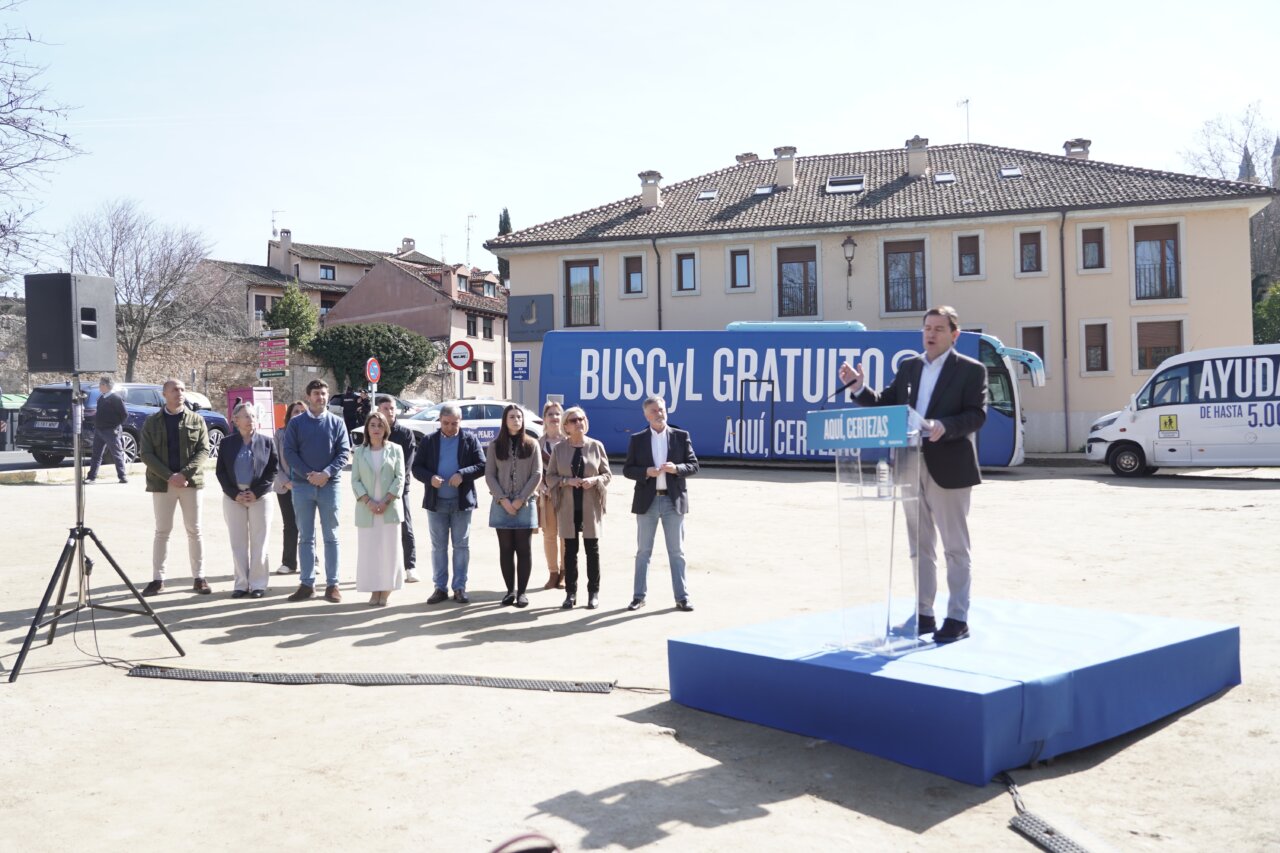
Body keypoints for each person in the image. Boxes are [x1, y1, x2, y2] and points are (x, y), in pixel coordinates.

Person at [838, 305, 988, 643]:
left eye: (938, 328)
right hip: (907, 463)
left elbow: (976, 416)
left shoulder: (970, 371)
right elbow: (886, 404)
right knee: (919, 547)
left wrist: (943, 426)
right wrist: (859, 388)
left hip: (949, 466)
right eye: (926, 328)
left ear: (954, 334)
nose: (931, 334)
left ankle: (957, 617)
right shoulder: (909, 367)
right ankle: (924, 613)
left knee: (955, 548)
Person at [623, 395, 700, 613]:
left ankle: (682, 597)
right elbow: (628, 469)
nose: (660, 413)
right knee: (643, 552)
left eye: (662, 409)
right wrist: (645, 472)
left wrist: (677, 468)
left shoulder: (680, 436)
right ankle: (639, 597)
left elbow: (694, 465)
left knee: (677, 552)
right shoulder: (638, 439)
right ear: (646, 415)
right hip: (647, 502)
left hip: (672, 501)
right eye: (654, 411)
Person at [139, 379, 211, 596]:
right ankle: (158, 579)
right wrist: (170, 476)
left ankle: (199, 578)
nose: (179, 393)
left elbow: (203, 450)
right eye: (174, 390)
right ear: (164, 394)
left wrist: (184, 474)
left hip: (190, 483)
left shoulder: (196, 420)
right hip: (163, 484)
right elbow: (146, 454)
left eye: (182, 389)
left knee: (195, 530)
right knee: (162, 531)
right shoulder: (152, 422)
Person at [283, 379, 351, 603]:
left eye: (323, 393)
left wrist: (326, 474)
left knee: (331, 536)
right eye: (315, 393)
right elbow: (290, 452)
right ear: (308, 396)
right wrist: (309, 475)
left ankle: (333, 584)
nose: (320, 397)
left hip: (329, 486)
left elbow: (343, 453)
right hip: (302, 487)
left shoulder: (337, 423)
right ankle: (307, 583)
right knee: (306, 537)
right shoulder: (296, 424)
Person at [412, 403, 486, 605]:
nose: (451, 427)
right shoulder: (429, 441)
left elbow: (482, 465)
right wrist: (430, 478)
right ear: (440, 421)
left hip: (461, 502)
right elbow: (417, 468)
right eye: (446, 423)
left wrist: (462, 474)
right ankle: (440, 588)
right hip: (437, 503)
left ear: (461, 421)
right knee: (438, 547)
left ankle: (460, 587)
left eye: (455, 423)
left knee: (461, 546)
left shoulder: (469, 439)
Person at [545, 406, 611, 610]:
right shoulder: (559, 449)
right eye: (573, 420)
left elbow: (607, 475)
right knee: (570, 552)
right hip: (567, 506)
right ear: (566, 425)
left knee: (592, 551)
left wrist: (595, 479)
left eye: (581, 419)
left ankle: (593, 593)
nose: (578, 423)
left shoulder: (596, 446)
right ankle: (570, 594)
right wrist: (566, 481)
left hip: (590, 506)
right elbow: (550, 477)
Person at [215, 403, 278, 598]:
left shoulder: (267, 442)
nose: (250, 419)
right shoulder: (227, 443)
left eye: (252, 416)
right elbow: (221, 472)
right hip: (234, 498)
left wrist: (257, 492)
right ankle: (241, 584)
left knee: (260, 542)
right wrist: (234, 493)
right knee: (238, 542)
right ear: (235, 420)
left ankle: (258, 584)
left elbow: (272, 470)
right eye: (245, 416)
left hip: (260, 497)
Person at [485, 405, 542, 608]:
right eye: (512, 416)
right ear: (505, 420)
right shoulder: (494, 446)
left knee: (524, 549)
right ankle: (510, 591)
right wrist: (503, 499)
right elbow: (489, 474)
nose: (516, 420)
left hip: (525, 505)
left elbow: (537, 474)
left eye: (519, 416)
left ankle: (523, 593)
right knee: (506, 549)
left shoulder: (532, 444)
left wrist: (520, 499)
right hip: (502, 505)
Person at [351, 411, 405, 606]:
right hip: (367, 511)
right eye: (372, 425)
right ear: (367, 428)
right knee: (370, 552)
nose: (376, 429)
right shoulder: (359, 452)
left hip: (389, 509)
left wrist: (385, 501)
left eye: (380, 425)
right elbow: (355, 480)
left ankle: (387, 590)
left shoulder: (396, 449)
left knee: (389, 551)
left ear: (386, 429)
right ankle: (374, 590)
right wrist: (368, 502)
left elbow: (400, 478)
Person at [376, 394, 419, 583]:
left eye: (392, 408)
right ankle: (382, 567)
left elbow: (406, 467)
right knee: (379, 530)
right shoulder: (374, 432)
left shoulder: (405, 434)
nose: (390, 411)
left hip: (400, 490)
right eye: (386, 408)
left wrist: (393, 489)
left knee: (405, 528)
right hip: (376, 490)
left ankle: (410, 567)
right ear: (379, 411)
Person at [273, 400, 308, 575]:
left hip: (306, 486)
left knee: (307, 524)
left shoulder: (311, 434)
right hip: (285, 486)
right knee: (290, 524)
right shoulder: (280, 434)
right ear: (289, 415)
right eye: (296, 411)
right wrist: (286, 481)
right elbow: (274, 462)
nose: (299, 414)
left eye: (303, 411)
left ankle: (312, 560)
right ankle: (288, 562)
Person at [537, 401, 566, 590]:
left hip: (567, 495)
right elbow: (533, 470)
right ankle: (552, 573)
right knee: (549, 535)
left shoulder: (569, 442)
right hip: (546, 496)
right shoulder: (537, 444)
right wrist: (540, 486)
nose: (554, 418)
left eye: (557, 414)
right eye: (550, 414)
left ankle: (564, 573)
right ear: (544, 419)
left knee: (566, 536)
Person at [86, 376, 129, 484]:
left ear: (105, 385)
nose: (99, 386)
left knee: (116, 453)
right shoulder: (101, 398)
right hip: (99, 430)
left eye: (100, 384)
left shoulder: (116, 398)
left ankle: (122, 476)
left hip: (111, 431)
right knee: (96, 455)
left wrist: (115, 426)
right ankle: (91, 477)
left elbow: (124, 414)